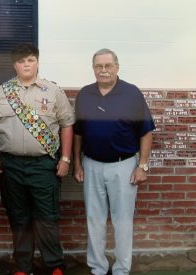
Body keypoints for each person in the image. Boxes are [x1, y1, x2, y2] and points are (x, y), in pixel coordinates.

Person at [0, 43, 75, 275]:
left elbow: (67, 123)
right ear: (15, 65)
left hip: (44, 165)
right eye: (21, 61)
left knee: (47, 217)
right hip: (11, 165)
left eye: (30, 60)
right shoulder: (3, 92)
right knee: (19, 218)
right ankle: (23, 267)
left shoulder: (52, 91)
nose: (26, 65)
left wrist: (65, 158)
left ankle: (54, 265)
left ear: (37, 62)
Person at [73, 48, 155, 275]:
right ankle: (98, 267)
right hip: (91, 164)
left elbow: (146, 132)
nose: (104, 70)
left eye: (108, 66)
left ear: (117, 67)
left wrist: (143, 165)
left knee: (123, 221)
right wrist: (77, 164)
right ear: (93, 69)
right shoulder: (85, 95)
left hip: (124, 166)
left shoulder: (132, 93)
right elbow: (78, 133)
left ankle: (121, 269)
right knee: (94, 219)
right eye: (98, 66)